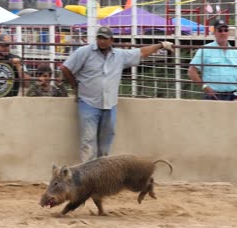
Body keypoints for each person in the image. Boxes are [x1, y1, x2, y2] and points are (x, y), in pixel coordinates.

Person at [61, 26, 174, 162]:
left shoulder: (119, 55)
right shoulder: (84, 52)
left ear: (111, 40)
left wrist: (161, 45)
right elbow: (66, 68)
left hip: (109, 103)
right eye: (100, 38)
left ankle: (101, 171)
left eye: (105, 38)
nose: (102, 41)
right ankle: (87, 173)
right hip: (88, 101)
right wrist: (76, 86)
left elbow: (141, 52)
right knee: (88, 139)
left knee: (106, 140)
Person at [188, 20, 237, 101]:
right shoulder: (205, 50)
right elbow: (191, 71)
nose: (223, 33)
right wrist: (205, 87)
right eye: (220, 30)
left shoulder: (235, 52)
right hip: (213, 95)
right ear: (215, 32)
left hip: (233, 96)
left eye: (225, 30)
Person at [0, 32, 31, 97]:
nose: (6, 48)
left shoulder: (17, 59)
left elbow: (27, 83)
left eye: (8, 45)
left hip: (10, 101)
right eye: (3, 45)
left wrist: (18, 66)